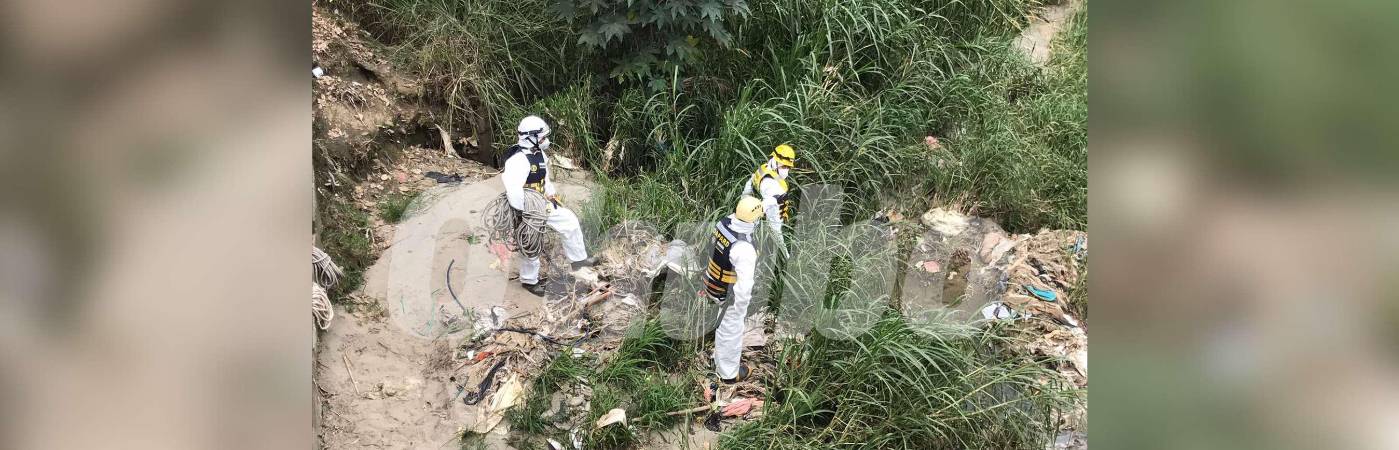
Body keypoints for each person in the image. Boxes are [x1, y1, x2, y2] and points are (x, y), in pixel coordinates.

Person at [501, 115, 594, 296]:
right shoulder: (517, 160)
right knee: (531, 243)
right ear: (530, 137)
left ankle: (579, 261)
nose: (545, 141)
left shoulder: (539, 154)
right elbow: (513, 190)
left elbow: (545, 179)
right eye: (542, 137)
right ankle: (530, 281)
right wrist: (524, 213)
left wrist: (550, 194)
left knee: (569, 221)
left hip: (543, 200)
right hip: (527, 207)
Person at [704, 196, 765, 383]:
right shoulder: (744, 249)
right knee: (731, 330)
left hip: (711, 282)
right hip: (727, 294)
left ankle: (718, 360)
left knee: (722, 326)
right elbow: (744, 286)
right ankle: (728, 374)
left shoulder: (724, 223)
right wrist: (740, 308)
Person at [741, 144, 796, 248]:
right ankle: (785, 259)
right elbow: (767, 203)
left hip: (760, 210)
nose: (786, 170)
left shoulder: (765, 168)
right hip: (771, 217)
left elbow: (751, 180)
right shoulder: (772, 185)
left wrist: (744, 198)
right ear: (775, 162)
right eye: (784, 166)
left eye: (788, 167)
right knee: (778, 241)